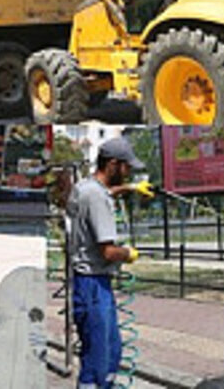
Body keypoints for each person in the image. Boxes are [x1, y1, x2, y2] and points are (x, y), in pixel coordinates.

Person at [68, 137, 144, 388]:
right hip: (93, 286)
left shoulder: (85, 187)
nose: (128, 171)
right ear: (113, 164)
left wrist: (130, 188)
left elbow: (101, 193)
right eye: (126, 167)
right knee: (99, 361)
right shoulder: (97, 198)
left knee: (111, 350)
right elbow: (108, 252)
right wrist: (129, 253)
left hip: (91, 284)